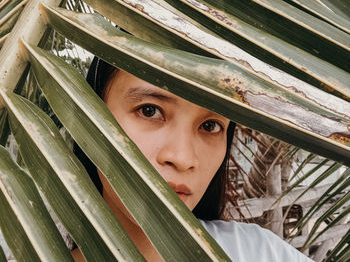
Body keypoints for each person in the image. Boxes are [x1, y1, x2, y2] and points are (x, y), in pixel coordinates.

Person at [72, 57, 313, 262]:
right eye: (149, 111)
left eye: (210, 125)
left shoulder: (258, 253)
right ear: (89, 117)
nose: (183, 158)